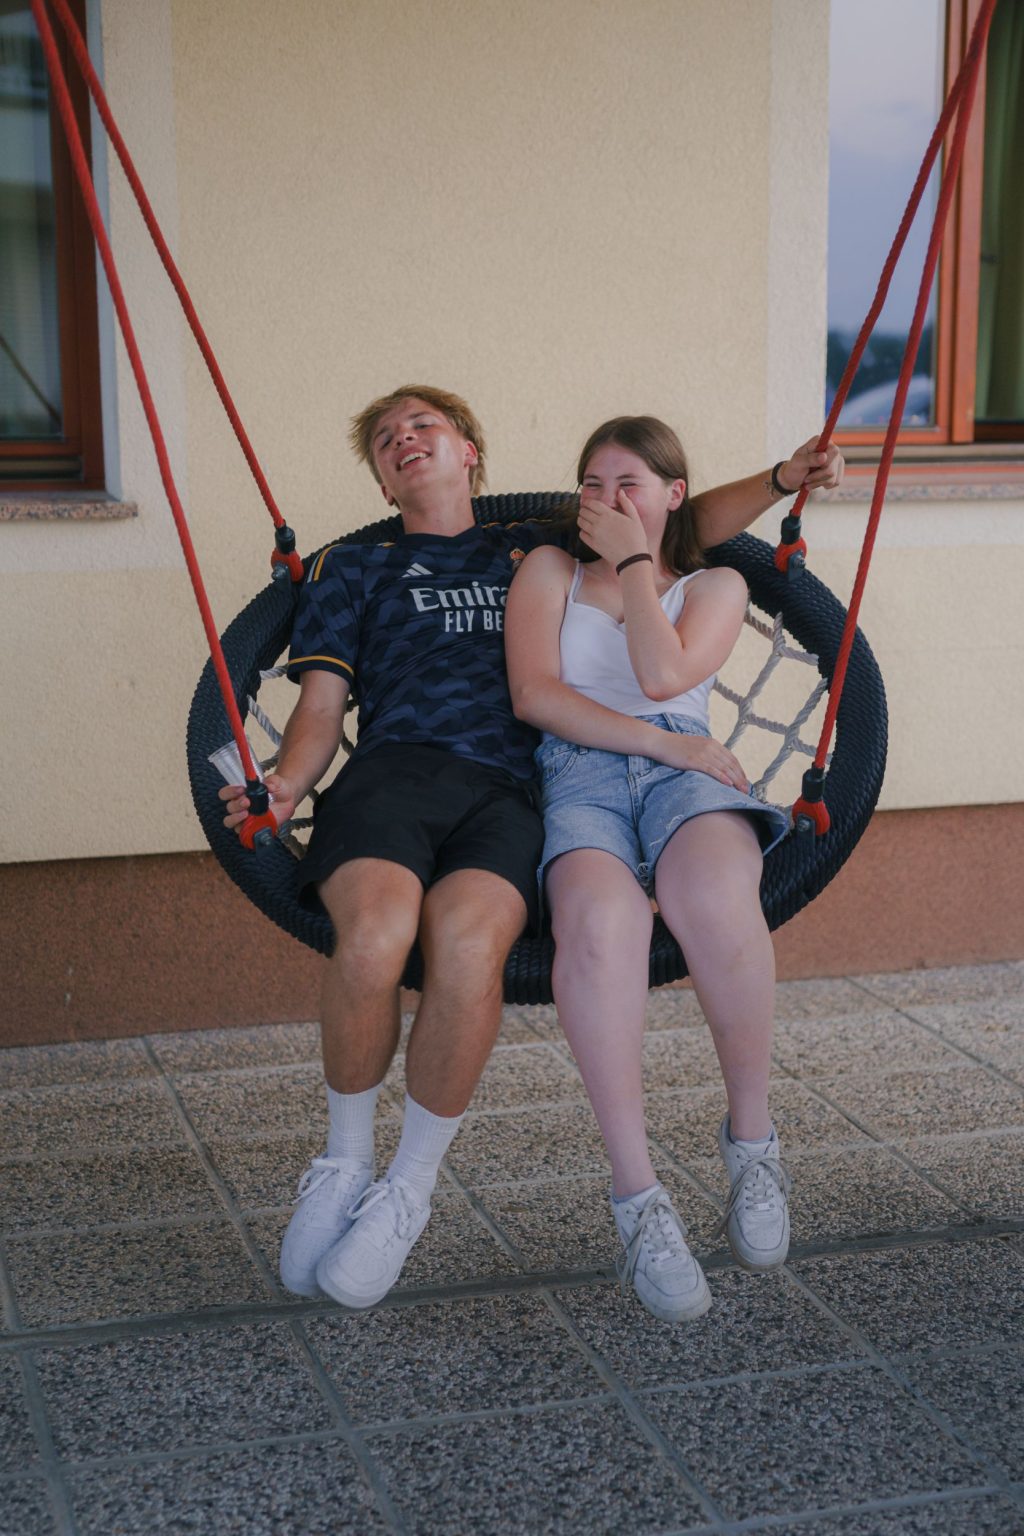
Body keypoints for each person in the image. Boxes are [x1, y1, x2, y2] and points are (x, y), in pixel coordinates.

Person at [220, 386, 842, 1311]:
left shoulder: (528, 545)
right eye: (386, 439)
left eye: (423, 425)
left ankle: (416, 1189)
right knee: (392, 937)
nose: (404, 440)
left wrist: (783, 480)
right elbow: (320, 706)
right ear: (381, 479)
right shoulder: (360, 567)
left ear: (470, 450)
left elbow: (679, 521)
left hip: (515, 791)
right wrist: (285, 781)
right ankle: (351, 1164)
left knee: (497, 940)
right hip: (428, 774)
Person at [504, 415, 794, 1323]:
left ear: (674, 495)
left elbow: (665, 679)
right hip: (581, 767)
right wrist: (661, 747)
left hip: (686, 766)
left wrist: (636, 562)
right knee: (602, 926)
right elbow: (535, 695)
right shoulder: (548, 572)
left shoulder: (717, 583)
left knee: (713, 894)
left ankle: (753, 1144)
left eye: (628, 482)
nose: (606, 498)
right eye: (592, 483)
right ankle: (639, 1200)